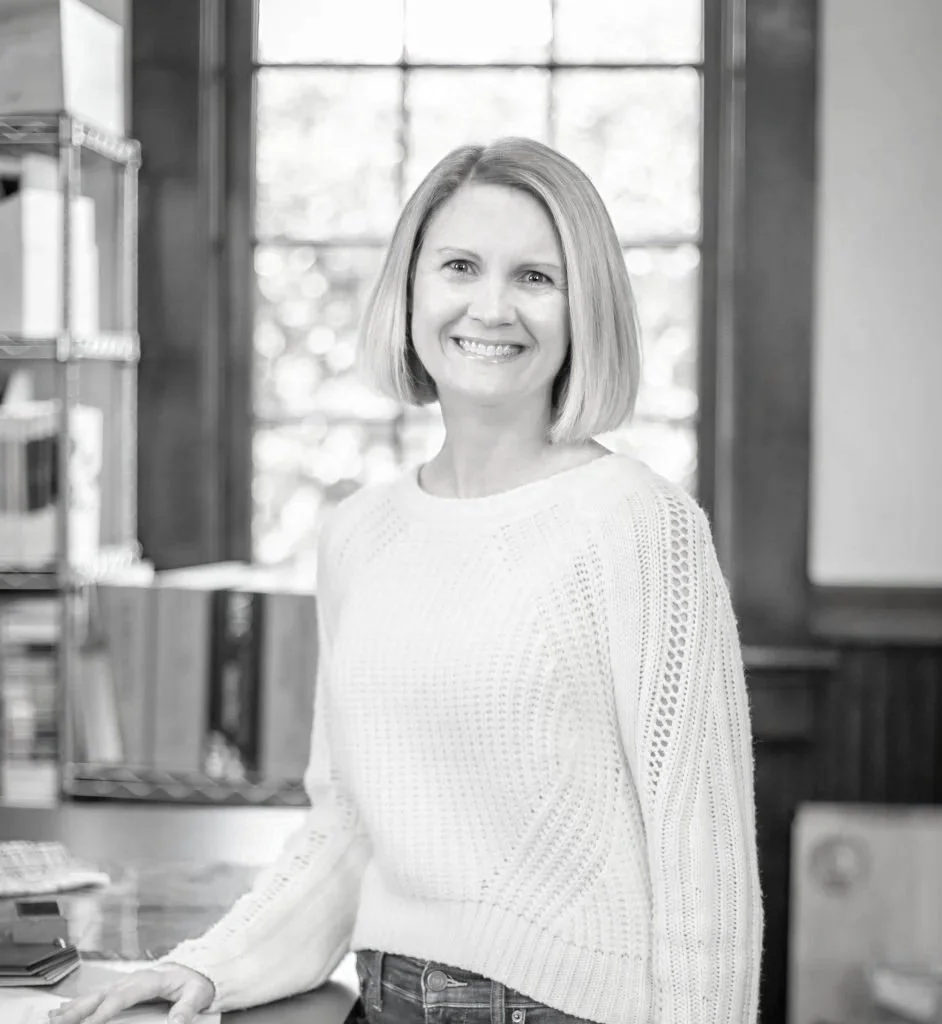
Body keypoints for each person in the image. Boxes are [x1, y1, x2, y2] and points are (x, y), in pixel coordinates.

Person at [52, 137, 763, 1024]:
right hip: (382, 999)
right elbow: (346, 828)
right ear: (411, 290)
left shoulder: (643, 526)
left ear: (586, 306)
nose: (491, 307)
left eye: (536, 277)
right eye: (460, 266)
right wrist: (209, 966)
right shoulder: (360, 534)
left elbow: (704, 867)